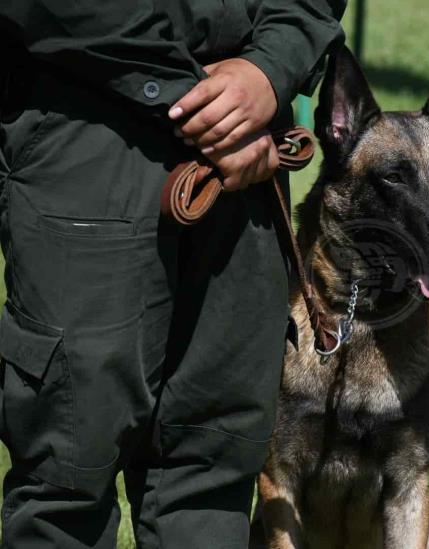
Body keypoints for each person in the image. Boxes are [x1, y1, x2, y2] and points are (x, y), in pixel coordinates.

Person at [0, 1, 345, 547]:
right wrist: (213, 106)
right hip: (87, 125)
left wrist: (269, 71)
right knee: (68, 469)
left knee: (214, 461)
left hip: (248, 147)